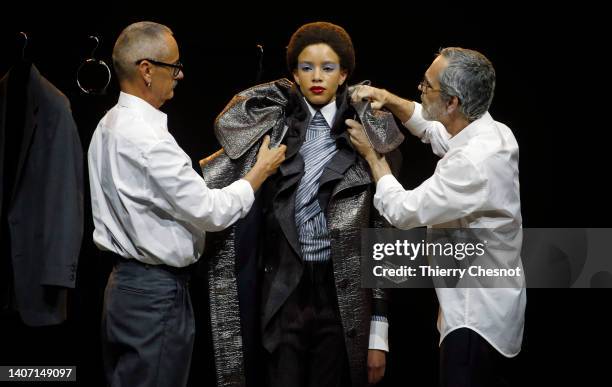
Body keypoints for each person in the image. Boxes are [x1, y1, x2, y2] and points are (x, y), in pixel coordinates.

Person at [87, 21, 285, 387]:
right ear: (147, 70)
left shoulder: (108, 125)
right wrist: (259, 172)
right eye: (173, 66)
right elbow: (211, 211)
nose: (180, 74)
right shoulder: (148, 141)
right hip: (153, 297)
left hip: (124, 292)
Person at [200, 21, 395, 387]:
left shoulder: (365, 133)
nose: (317, 77)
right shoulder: (273, 128)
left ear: (345, 75)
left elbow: (380, 229)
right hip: (282, 289)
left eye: (328, 67)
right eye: (307, 67)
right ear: (294, 73)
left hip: (341, 296)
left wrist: (379, 332)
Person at [347, 47, 525, 387]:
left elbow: (403, 210)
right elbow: (435, 132)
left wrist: (373, 157)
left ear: (453, 102)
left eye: (427, 86)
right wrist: (388, 98)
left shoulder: (472, 164)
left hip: (475, 321)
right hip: (498, 307)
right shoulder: (493, 132)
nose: (419, 89)